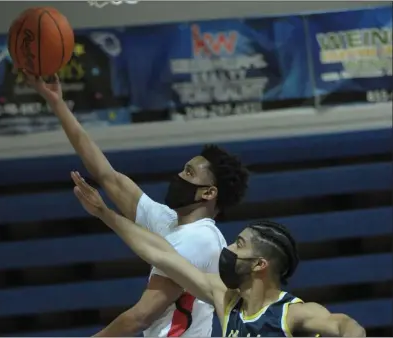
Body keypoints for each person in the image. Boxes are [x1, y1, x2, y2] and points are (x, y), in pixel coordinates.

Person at [24, 73, 249, 337]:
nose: (178, 176)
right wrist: (58, 104)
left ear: (209, 193)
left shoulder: (200, 240)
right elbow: (107, 176)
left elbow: (140, 317)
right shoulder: (168, 221)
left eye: (189, 173)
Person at [70, 171, 367, 338]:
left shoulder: (292, 313)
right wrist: (103, 213)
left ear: (260, 265)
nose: (227, 249)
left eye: (238, 245)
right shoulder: (225, 298)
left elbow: (347, 326)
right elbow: (161, 254)